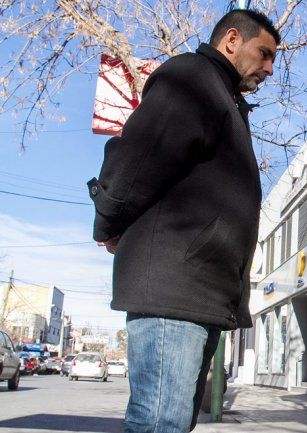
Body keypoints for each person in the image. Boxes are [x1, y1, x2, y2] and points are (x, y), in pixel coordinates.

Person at [87, 10, 279, 433]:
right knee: (161, 424)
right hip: (174, 290)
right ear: (232, 40)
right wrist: (109, 225)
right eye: (264, 54)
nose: (269, 68)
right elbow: (137, 159)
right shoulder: (192, 77)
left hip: (201, 294)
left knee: (173, 423)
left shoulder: (225, 98)